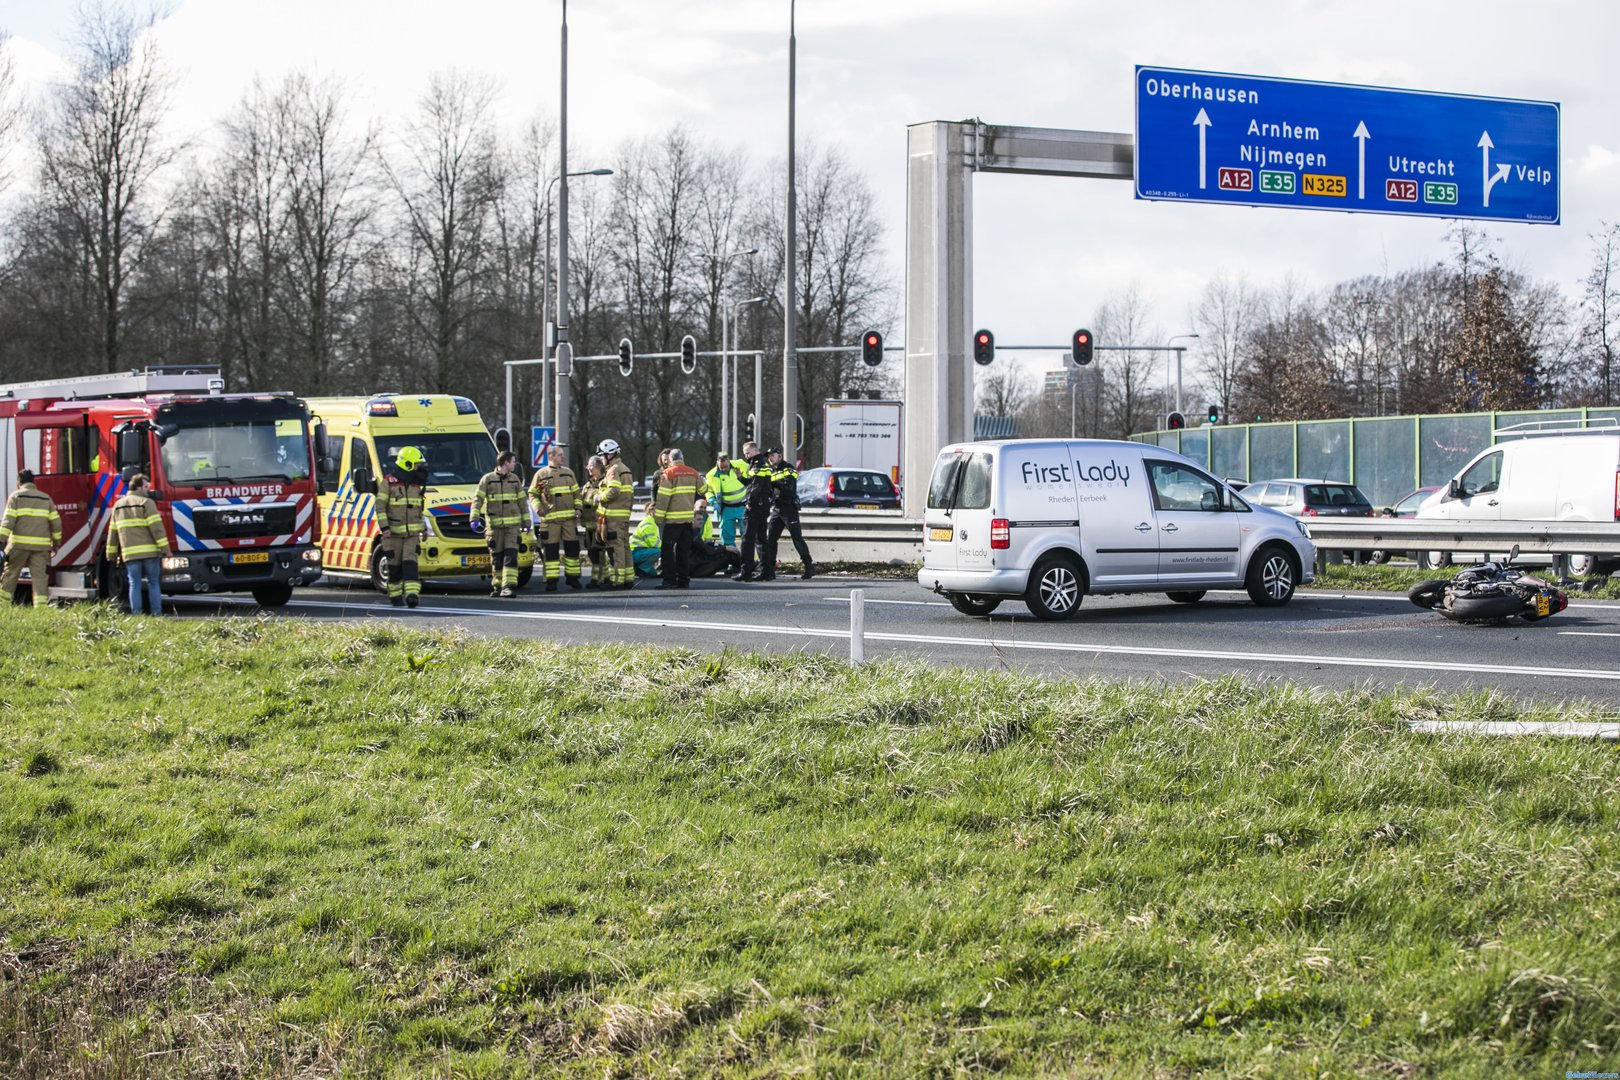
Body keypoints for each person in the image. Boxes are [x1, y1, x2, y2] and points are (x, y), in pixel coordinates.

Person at [104, 472, 168, 614]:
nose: (148, 490)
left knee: (134, 584)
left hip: (130, 553)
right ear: (139, 488)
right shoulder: (147, 503)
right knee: (153, 583)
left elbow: (112, 532)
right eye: (146, 486)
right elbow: (157, 529)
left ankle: (137, 614)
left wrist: (111, 553)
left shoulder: (118, 506)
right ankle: (156, 614)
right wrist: (166, 550)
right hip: (150, 552)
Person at [1, 469, 63, 609]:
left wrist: (1, 540)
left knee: (10, 576)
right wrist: (56, 543)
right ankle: (40, 610)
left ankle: (2, 608)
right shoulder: (46, 498)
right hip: (41, 548)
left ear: (19, 482)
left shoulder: (16, 497)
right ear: (33, 482)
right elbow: (56, 523)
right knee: (40, 580)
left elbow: (8, 522)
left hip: (18, 546)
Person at [377, 445, 428, 607]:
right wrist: (384, 528)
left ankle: (413, 595)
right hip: (393, 535)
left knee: (410, 564)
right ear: (407, 465)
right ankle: (395, 596)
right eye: (416, 465)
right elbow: (380, 507)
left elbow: (419, 509)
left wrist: (424, 529)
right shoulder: (388, 483)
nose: (419, 469)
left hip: (412, 535)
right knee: (395, 568)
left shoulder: (416, 485)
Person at [528, 444, 583, 592]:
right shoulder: (541, 474)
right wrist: (538, 507)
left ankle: (573, 578)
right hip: (550, 521)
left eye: (563, 454)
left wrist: (578, 508)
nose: (563, 457)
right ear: (551, 456)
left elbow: (577, 494)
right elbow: (532, 494)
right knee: (551, 551)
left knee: (572, 549)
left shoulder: (569, 473)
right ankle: (551, 581)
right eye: (560, 455)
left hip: (569, 520)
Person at [472, 450, 525, 598]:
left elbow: (522, 503)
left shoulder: (515, 479)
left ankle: (508, 587)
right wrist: (474, 518)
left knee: (511, 555)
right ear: (506, 462)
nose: (514, 464)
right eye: (513, 461)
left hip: (512, 527)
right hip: (494, 528)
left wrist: (526, 522)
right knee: (497, 558)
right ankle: (497, 585)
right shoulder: (487, 479)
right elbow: (477, 500)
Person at [652, 448, 701, 589]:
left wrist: (657, 518)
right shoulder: (693, 472)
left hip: (673, 521)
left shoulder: (667, 474)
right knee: (683, 552)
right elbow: (703, 489)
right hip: (687, 520)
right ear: (682, 458)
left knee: (667, 551)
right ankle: (684, 580)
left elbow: (663, 500)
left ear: (671, 459)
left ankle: (669, 581)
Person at [764, 447, 816, 580]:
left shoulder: (789, 468)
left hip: (788, 509)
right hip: (777, 509)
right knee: (771, 540)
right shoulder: (770, 470)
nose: (770, 458)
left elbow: (789, 487)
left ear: (780, 456)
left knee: (797, 538)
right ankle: (769, 569)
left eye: (772, 455)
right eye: (769, 456)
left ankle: (809, 566)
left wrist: (773, 482)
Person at [594, 439, 636, 589]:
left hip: (613, 516)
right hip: (623, 516)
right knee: (624, 546)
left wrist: (599, 497)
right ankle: (628, 579)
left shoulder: (613, 470)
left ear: (609, 454)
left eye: (602, 456)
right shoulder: (625, 468)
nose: (600, 459)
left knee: (615, 549)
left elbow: (614, 490)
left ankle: (617, 581)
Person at [734, 440, 774, 582]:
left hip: (756, 506)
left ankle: (746, 572)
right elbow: (751, 483)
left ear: (755, 450)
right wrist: (740, 477)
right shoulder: (761, 463)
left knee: (747, 539)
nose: (746, 456)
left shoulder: (758, 464)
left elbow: (756, 486)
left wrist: (749, 502)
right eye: (745, 454)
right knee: (761, 539)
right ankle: (766, 572)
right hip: (763, 506)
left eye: (748, 453)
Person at [688, 497, 740, 579]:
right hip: (696, 568)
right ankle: (747, 568)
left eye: (701, 519)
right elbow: (707, 549)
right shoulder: (691, 532)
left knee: (727, 551)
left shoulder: (702, 524)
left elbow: (707, 544)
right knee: (729, 554)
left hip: (696, 562)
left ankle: (747, 566)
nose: (701, 521)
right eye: (698, 520)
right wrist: (725, 548)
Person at [704, 451, 748, 548]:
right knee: (726, 534)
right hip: (726, 508)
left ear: (729, 461)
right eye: (721, 467)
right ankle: (730, 557)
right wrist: (712, 501)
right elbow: (708, 491)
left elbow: (753, 473)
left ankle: (749, 559)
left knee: (747, 534)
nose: (723, 469)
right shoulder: (712, 475)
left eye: (725, 467)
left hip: (743, 506)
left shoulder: (740, 465)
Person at [578, 455, 609, 588]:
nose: (589, 469)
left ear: (598, 467)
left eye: (591, 466)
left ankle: (597, 579)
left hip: (600, 525)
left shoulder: (605, 483)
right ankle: (605, 576)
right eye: (588, 467)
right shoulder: (587, 486)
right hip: (588, 526)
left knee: (598, 553)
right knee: (592, 552)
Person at [629, 512, 662, 578]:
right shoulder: (649, 525)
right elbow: (654, 543)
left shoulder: (651, 523)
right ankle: (641, 569)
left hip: (637, 552)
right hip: (635, 553)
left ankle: (643, 571)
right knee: (662, 551)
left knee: (653, 575)